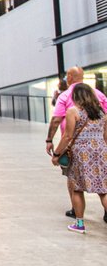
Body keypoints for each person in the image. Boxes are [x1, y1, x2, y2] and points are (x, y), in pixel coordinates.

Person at [46, 66, 107, 218]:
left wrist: (55, 152)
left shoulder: (70, 105)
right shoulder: (100, 107)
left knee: (76, 187)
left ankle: (78, 221)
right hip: (100, 149)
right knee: (103, 188)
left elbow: (63, 131)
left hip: (79, 150)